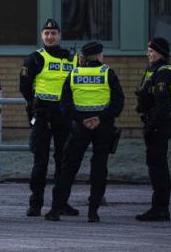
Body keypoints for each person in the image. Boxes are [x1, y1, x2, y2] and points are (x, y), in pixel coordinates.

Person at [44, 41, 124, 222]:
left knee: (68, 167)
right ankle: (93, 212)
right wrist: (99, 118)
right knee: (99, 167)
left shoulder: (74, 74)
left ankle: (55, 209)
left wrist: (81, 119)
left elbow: (65, 105)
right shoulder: (108, 73)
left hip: (80, 127)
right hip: (102, 127)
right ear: (99, 55)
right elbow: (118, 103)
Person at [19, 18, 79, 217]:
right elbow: (24, 87)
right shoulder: (35, 59)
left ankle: (60, 203)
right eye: (46, 33)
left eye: (53, 33)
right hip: (43, 114)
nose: (50, 36)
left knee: (64, 160)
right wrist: (34, 105)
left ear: (59, 35)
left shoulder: (73, 58)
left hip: (64, 115)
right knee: (40, 160)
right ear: (41, 36)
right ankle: (35, 204)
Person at [135, 37, 171, 221]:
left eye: (151, 51)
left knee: (158, 167)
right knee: (155, 165)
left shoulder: (164, 72)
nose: (148, 53)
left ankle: (160, 209)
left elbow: (162, 104)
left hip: (158, 124)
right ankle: (159, 207)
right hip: (152, 121)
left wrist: (152, 126)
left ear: (160, 52)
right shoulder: (152, 69)